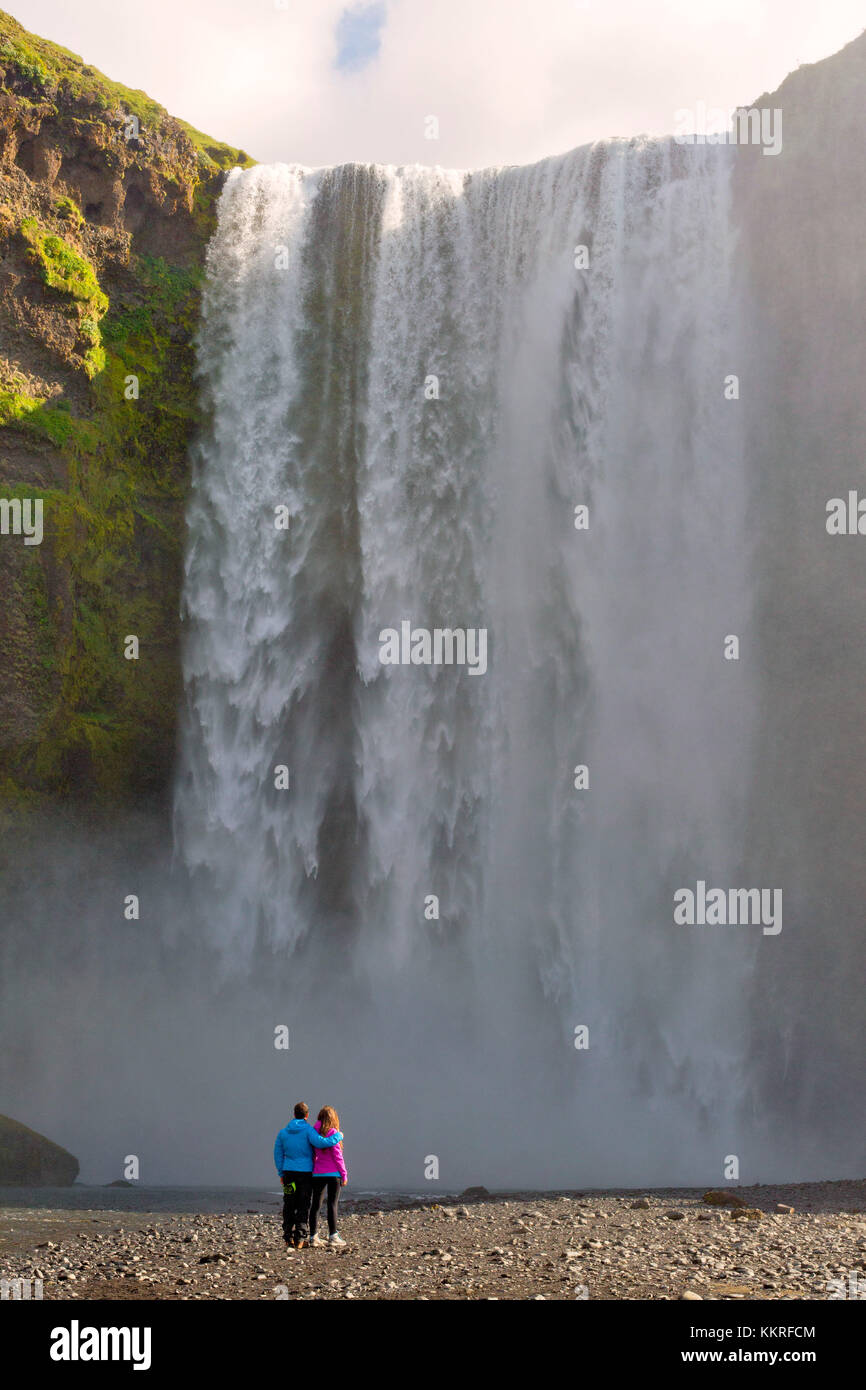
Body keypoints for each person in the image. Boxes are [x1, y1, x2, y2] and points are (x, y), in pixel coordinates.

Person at [274, 1102, 342, 1249]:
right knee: (304, 1204)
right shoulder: (308, 1131)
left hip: (288, 1175)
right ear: (307, 1115)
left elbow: (278, 1154)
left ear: (294, 1114)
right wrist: (338, 1136)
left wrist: (281, 1172)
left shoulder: (283, 1133)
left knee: (289, 1203)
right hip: (305, 1175)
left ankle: (287, 1236)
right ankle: (300, 1238)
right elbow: (321, 1143)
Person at [309, 1105, 348, 1247]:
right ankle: (333, 1236)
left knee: (315, 1205)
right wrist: (344, 1174)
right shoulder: (333, 1132)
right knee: (332, 1204)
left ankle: (313, 1236)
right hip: (333, 1174)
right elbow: (338, 1157)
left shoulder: (313, 1133)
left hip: (318, 1173)